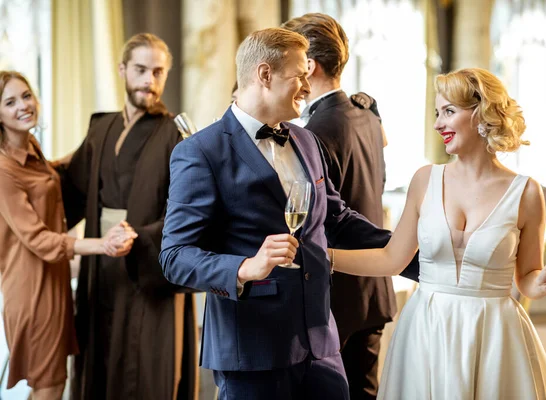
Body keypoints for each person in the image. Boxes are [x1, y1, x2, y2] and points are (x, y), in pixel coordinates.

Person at [159, 27, 419, 400]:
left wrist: (423, 260)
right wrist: (246, 267)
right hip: (251, 352)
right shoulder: (201, 151)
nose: (307, 87)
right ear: (265, 75)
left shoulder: (306, 140)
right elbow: (175, 257)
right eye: (299, 75)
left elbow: (337, 219)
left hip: (322, 344)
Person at [330, 67, 546, 399]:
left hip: (494, 336)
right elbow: (391, 260)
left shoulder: (526, 192)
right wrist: (323, 257)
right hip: (426, 329)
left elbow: (526, 278)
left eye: (448, 111)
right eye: (436, 113)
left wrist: (543, 280)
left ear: (482, 113)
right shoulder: (424, 180)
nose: (437, 124)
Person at [282, 13, 418, 399]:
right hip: (374, 289)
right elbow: (378, 185)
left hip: (334, 293)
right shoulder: (368, 115)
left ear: (309, 65)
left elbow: (322, 217)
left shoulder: (310, 134)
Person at [58, 34, 198, 400]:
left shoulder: (176, 134)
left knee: (147, 366)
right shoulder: (101, 128)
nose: (149, 81)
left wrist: (140, 238)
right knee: (100, 355)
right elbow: (70, 186)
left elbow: (188, 210)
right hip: (100, 264)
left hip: (145, 262)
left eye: (158, 72)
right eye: (140, 70)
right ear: (122, 70)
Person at [0, 71, 136, 400]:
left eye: (26, 96)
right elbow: (39, 240)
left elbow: (49, 176)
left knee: (49, 382)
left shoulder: (31, 148)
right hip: (31, 289)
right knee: (50, 384)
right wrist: (102, 244)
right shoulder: (4, 170)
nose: (24, 106)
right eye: (10, 102)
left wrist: (95, 144)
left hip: (54, 281)